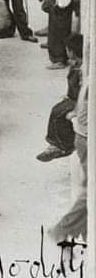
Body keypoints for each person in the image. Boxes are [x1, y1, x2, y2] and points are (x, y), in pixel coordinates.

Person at [48, 82, 88, 243]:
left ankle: (76, 231)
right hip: (87, 138)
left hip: (84, 136)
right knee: (91, 191)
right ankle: (63, 229)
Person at [37, 32, 83, 162]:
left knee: (58, 114)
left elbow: (81, 91)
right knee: (57, 110)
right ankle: (56, 143)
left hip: (78, 101)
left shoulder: (81, 70)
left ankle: (62, 145)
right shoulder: (75, 65)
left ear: (72, 51)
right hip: (73, 97)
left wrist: (76, 110)